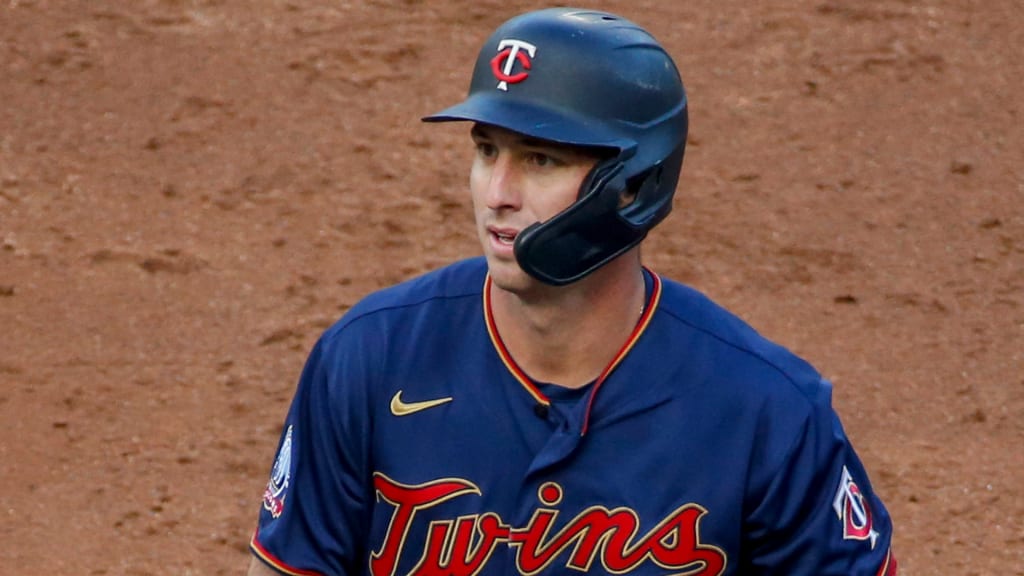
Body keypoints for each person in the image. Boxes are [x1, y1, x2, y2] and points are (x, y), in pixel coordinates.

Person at [246, 7, 897, 576]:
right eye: (485, 150)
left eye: (540, 160)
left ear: (635, 185)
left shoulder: (765, 411)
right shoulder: (370, 358)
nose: (496, 193)